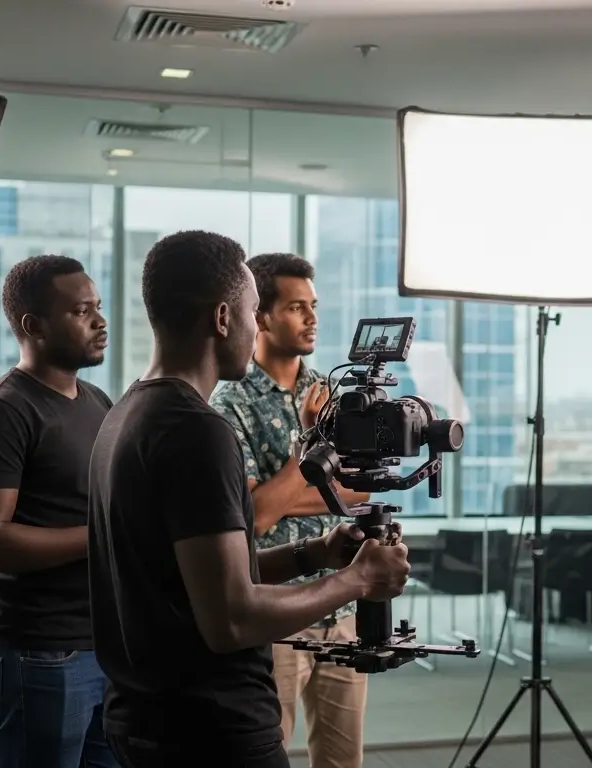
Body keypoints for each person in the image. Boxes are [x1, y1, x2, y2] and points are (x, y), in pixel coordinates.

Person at [87, 230, 410, 768]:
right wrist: (359, 580)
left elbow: (198, 577)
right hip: (211, 728)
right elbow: (231, 618)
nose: (254, 323)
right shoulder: (198, 430)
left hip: (145, 717)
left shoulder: (124, 415)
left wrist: (313, 554)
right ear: (222, 318)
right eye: (252, 309)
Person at [0, 254, 116, 768]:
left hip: (104, 644)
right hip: (40, 651)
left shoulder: (97, 401)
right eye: (82, 310)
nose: (99, 321)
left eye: (99, 307)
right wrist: (104, 536)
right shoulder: (0, 413)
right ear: (34, 325)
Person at [209, 252, 373, 768]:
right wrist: (310, 457)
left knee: (344, 761)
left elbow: (361, 489)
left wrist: (284, 493)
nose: (311, 318)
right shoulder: (228, 402)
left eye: (314, 306)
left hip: (343, 610)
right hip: (275, 612)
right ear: (260, 316)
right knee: (264, 753)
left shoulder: (331, 392)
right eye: (296, 307)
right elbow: (254, 515)